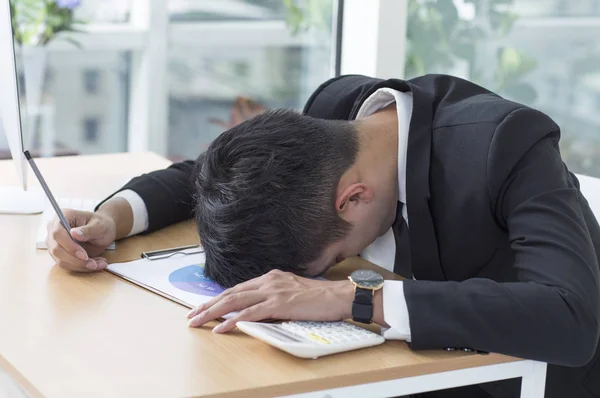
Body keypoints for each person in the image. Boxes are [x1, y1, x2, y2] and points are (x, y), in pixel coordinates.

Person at [46, 74, 600, 398]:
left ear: (353, 197)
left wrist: (350, 297)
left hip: (521, 378)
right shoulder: (332, 115)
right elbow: (207, 172)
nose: (337, 266)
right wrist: (113, 217)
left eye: (333, 256)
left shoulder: (505, 146)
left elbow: (570, 319)